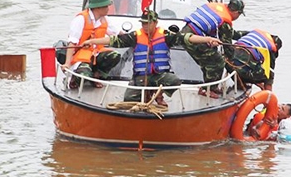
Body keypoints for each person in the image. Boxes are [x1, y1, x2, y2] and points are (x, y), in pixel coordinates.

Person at [85, 8, 221, 106]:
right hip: (140, 77)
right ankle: (148, 94)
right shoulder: (135, 36)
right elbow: (112, 40)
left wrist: (207, 39)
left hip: (159, 76)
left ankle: (158, 95)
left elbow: (188, 38)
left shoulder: (166, 35)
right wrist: (92, 41)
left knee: (174, 81)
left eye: (148, 23)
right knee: (128, 100)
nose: (145, 26)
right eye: (143, 23)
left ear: (155, 23)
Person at [180, 0, 246, 98]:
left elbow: (226, 34)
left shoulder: (216, 8)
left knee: (208, 59)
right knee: (218, 61)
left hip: (186, 31)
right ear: (236, 12)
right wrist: (233, 62)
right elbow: (227, 45)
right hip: (193, 38)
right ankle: (207, 89)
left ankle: (211, 86)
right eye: (239, 14)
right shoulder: (225, 22)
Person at [64, 0, 122, 90]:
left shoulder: (105, 19)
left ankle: (97, 76)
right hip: (82, 55)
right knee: (84, 74)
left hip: (97, 53)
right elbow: (72, 43)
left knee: (115, 56)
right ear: (98, 8)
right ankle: (75, 79)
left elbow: (117, 33)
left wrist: (135, 36)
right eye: (106, 6)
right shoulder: (81, 19)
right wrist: (67, 63)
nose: (108, 9)